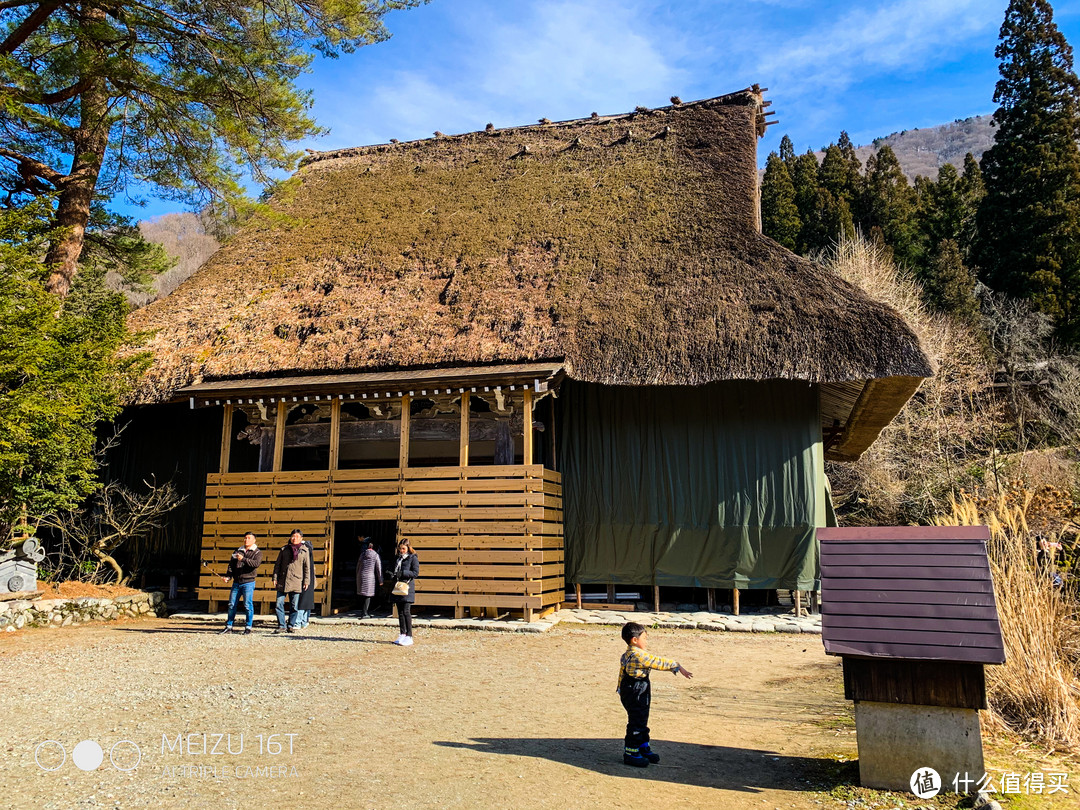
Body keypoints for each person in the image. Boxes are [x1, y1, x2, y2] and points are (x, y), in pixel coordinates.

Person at [617, 621, 692, 767]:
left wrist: (620, 689)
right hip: (637, 689)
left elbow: (621, 674)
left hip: (631, 688)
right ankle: (631, 752)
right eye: (644, 638)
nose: (646, 641)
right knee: (637, 721)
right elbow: (657, 661)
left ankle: (643, 747)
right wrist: (676, 665)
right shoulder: (639, 656)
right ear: (635, 640)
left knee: (641, 718)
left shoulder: (626, 655)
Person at [219, 531, 263, 635]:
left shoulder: (257, 552)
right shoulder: (237, 551)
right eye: (245, 538)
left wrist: (243, 559)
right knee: (231, 604)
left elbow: (255, 564)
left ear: (254, 540)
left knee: (247, 605)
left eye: (249, 538)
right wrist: (228, 577)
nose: (246, 540)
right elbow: (231, 565)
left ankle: (248, 627)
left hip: (248, 582)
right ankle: (229, 626)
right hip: (236, 582)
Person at [272, 529, 311, 634]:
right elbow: (277, 565)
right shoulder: (284, 549)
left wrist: (306, 581)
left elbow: (307, 568)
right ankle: (281, 625)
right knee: (279, 604)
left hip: (296, 581)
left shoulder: (304, 550)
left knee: (294, 605)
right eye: (293, 536)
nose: (295, 538)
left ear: (301, 538)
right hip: (282, 580)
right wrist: (275, 578)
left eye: (297, 537)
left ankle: (291, 625)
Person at [389, 539, 419, 646]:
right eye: (400, 548)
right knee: (400, 612)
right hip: (398, 587)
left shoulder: (412, 558)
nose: (401, 551)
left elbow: (415, 573)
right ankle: (402, 633)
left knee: (406, 611)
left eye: (403, 549)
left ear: (408, 548)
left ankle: (409, 635)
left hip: (407, 588)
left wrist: (403, 573)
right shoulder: (398, 559)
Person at [293, 531, 317, 628]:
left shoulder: (303, 550)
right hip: (309, 577)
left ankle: (298, 622)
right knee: (306, 600)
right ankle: (304, 621)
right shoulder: (308, 549)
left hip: (303, 577)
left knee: (301, 601)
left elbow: (305, 566)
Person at [355, 538, 383, 619]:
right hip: (370, 576)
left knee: (362, 594)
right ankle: (365, 613)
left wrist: (357, 576)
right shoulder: (375, 555)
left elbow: (358, 566)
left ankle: (362, 611)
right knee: (368, 595)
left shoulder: (362, 554)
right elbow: (379, 568)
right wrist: (381, 580)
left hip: (361, 575)